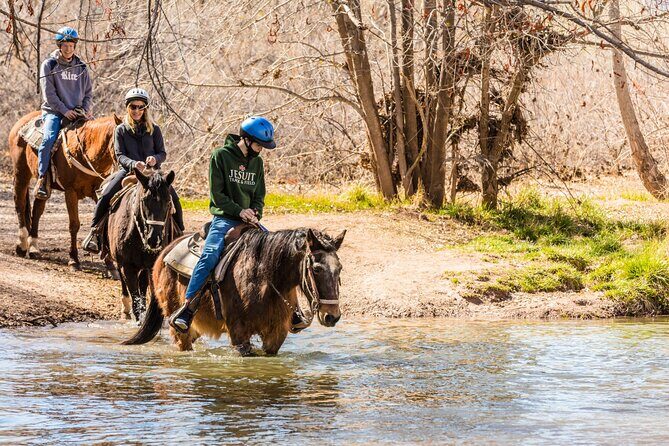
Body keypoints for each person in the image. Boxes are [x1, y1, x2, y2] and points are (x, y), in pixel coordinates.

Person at [169, 116, 276, 333]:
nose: (261, 150)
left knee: (277, 254)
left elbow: (259, 195)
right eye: (259, 145)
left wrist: (255, 211)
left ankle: (289, 313)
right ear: (246, 139)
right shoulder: (221, 156)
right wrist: (239, 210)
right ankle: (188, 308)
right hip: (225, 218)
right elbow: (217, 196)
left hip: (250, 220)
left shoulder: (257, 162)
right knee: (210, 255)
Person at [82, 88, 184, 253]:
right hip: (128, 172)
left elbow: (162, 153)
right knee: (107, 194)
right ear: (127, 108)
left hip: (152, 174)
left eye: (140, 107)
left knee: (173, 199)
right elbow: (119, 155)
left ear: (145, 108)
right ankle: (94, 232)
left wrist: (155, 159)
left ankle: (179, 235)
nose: (136, 110)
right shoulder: (121, 130)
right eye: (133, 107)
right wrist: (133, 164)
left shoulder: (154, 129)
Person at [35, 26, 93, 200]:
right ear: (59, 45)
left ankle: (99, 178)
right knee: (47, 140)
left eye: (71, 45)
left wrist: (84, 109)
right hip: (55, 111)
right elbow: (49, 94)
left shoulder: (81, 67)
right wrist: (64, 111)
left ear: (75, 46)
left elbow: (89, 92)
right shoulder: (49, 65)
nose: (69, 49)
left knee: (99, 135)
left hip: (77, 112)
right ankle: (42, 179)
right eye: (65, 45)